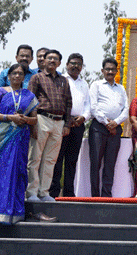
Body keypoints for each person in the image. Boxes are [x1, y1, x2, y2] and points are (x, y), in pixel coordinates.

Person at [0, 64, 53, 223]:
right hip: (1, 139)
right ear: (9, 76)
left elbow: (34, 119)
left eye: (20, 74)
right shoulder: (1, 91)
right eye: (14, 73)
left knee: (16, 173)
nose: (17, 76)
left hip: (19, 139)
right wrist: (11, 118)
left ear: (24, 77)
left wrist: (23, 120)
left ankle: (14, 213)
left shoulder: (29, 96)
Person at [26, 49, 71, 202]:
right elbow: (30, 101)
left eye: (55, 59)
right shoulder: (36, 78)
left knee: (50, 160)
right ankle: (31, 193)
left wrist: (67, 124)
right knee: (35, 158)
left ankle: (44, 192)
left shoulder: (64, 80)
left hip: (59, 122)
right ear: (43, 61)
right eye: (49, 58)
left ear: (59, 63)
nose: (52, 61)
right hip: (41, 119)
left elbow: (68, 103)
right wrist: (32, 123)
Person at [49, 53, 90, 198]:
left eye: (79, 64)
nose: (75, 66)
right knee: (57, 159)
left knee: (72, 160)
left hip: (78, 126)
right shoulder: (60, 80)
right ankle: (53, 192)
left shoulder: (84, 84)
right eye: (73, 63)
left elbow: (87, 105)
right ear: (66, 65)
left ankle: (69, 193)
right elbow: (59, 102)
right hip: (62, 124)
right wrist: (67, 119)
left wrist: (83, 117)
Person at [88, 57, 128, 198]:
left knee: (110, 164)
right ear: (102, 70)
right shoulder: (96, 85)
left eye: (113, 69)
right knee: (95, 163)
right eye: (107, 69)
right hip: (98, 128)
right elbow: (93, 107)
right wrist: (106, 122)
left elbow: (126, 110)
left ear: (117, 71)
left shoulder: (121, 88)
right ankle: (95, 196)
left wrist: (115, 123)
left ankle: (106, 195)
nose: (110, 71)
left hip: (115, 130)